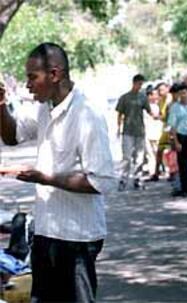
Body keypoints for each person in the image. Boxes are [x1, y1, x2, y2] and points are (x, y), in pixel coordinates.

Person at [0, 42, 115, 302]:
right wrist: (1, 105)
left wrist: (45, 177)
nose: (28, 84)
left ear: (54, 74)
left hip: (77, 238)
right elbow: (12, 136)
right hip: (45, 232)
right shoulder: (44, 107)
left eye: (32, 77)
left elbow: (102, 181)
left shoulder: (87, 115)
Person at [116, 74, 152, 191]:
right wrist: (118, 127)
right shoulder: (125, 97)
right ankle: (123, 179)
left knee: (139, 157)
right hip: (127, 131)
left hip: (140, 131)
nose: (140, 86)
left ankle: (138, 179)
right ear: (134, 83)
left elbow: (149, 110)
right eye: (139, 84)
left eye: (141, 84)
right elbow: (120, 114)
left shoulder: (142, 97)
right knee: (126, 157)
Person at [168, 83, 187, 196]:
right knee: (183, 165)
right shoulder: (175, 107)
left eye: (185, 93)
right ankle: (185, 189)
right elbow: (173, 126)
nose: (183, 95)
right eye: (180, 93)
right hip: (181, 137)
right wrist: (176, 142)